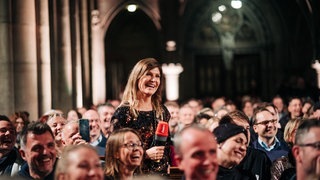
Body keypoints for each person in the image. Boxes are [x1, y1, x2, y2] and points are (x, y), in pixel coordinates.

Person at [111, 58, 171, 175]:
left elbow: (167, 147)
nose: (153, 80)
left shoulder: (162, 111)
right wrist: (145, 154)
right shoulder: (124, 112)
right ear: (137, 77)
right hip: (135, 175)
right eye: (148, 75)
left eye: (157, 76)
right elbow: (114, 150)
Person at [219, 111, 272, 180]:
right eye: (240, 128)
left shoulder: (260, 158)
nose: (246, 133)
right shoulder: (217, 159)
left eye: (247, 128)